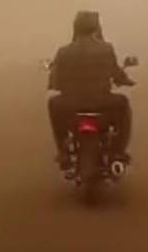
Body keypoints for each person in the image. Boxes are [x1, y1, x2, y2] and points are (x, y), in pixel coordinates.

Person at [46, 10, 133, 169]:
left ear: (75, 27)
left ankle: (63, 151)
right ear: (96, 27)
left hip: (70, 105)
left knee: (52, 103)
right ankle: (117, 151)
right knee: (123, 103)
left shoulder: (64, 51)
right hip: (102, 103)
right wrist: (126, 80)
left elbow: (55, 82)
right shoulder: (106, 48)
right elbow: (116, 74)